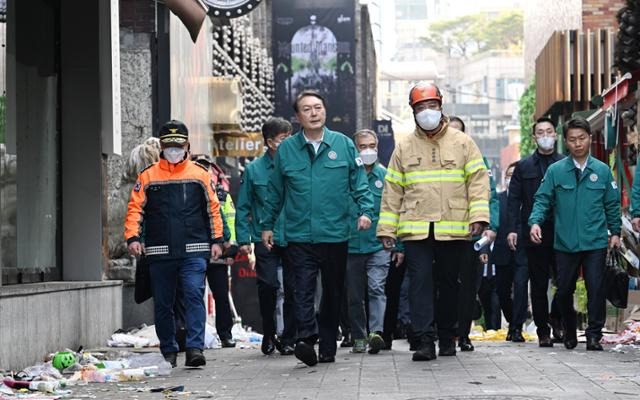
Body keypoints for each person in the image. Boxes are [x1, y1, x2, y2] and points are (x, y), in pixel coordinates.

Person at [377, 83, 490, 361]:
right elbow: (393, 190)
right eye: (420, 108)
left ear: (441, 106)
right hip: (416, 228)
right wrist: (387, 229)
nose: (426, 112)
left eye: (431, 106)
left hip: (454, 227)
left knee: (450, 284)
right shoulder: (404, 146)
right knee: (420, 286)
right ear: (413, 111)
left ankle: (447, 337)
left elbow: (477, 182)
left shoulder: (463, 142)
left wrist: (479, 216)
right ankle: (425, 341)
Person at [262, 90, 374, 366]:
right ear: (298, 117)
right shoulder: (287, 149)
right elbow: (275, 190)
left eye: (318, 107)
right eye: (307, 109)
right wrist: (267, 225)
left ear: (325, 111)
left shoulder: (344, 144)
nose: (314, 113)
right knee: (301, 290)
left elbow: (359, 181)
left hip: (335, 233)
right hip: (299, 235)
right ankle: (306, 339)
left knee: (333, 293)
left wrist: (366, 211)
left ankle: (327, 346)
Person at [125, 120, 224, 367]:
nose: (173, 149)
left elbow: (213, 209)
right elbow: (135, 209)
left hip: (194, 250)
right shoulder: (147, 176)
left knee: (193, 296)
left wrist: (217, 240)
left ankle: (194, 349)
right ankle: (168, 349)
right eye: (168, 145)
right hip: (160, 252)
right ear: (161, 146)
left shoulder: (200, 174)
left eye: (178, 145)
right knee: (163, 303)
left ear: (187, 145)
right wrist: (133, 237)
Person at [529, 117, 621, 351]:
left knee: (596, 288)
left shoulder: (601, 171)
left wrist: (616, 232)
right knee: (564, 290)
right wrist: (535, 222)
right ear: (566, 143)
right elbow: (542, 199)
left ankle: (593, 335)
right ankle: (569, 329)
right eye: (572, 140)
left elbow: (612, 205)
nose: (578, 143)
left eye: (582, 138)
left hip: (595, 242)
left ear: (590, 138)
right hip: (565, 242)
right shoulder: (556, 171)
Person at [235, 117, 297, 356]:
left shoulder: (297, 166)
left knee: (293, 288)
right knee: (268, 286)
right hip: (265, 238)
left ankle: (289, 337)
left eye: (290, 138)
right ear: (271, 143)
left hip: (293, 236)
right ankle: (269, 333)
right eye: (284, 139)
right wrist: (243, 240)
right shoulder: (254, 170)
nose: (288, 143)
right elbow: (243, 206)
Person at [507, 117, 565, 347]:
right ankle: (543, 330)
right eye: (540, 132)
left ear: (556, 134)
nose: (545, 135)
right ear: (534, 138)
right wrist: (512, 230)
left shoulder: (565, 163)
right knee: (539, 283)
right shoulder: (523, 167)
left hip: (562, 232)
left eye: (549, 131)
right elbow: (514, 200)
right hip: (534, 233)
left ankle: (557, 318)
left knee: (565, 281)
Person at [346, 129, 405, 354]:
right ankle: (359, 335)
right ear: (355, 149)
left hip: (378, 245)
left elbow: (395, 210)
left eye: (373, 145)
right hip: (351, 244)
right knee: (354, 295)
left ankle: (377, 333)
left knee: (376, 288)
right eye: (363, 146)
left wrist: (398, 243)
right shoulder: (347, 176)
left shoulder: (386, 176)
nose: (369, 150)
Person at [448, 116, 499, 352]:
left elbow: (491, 197)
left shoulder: (479, 159)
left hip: (470, 236)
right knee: (443, 286)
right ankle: (443, 331)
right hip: (442, 235)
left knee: (469, 287)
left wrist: (489, 226)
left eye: (459, 132)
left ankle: (464, 333)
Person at [192, 154, 238, 349]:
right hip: (195, 253)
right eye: (201, 167)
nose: (205, 171)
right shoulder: (188, 194)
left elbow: (230, 221)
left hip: (218, 254)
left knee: (220, 295)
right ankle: (196, 336)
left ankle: (225, 334)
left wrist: (231, 248)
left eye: (207, 168)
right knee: (193, 295)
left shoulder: (221, 195)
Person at [487, 162, 528, 342]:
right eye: (510, 175)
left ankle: (516, 326)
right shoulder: (499, 200)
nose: (512, 178)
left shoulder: (528, 201)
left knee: (520, 287)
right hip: (502, 251)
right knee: (502, 291)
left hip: (523, 252)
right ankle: (512, 320)